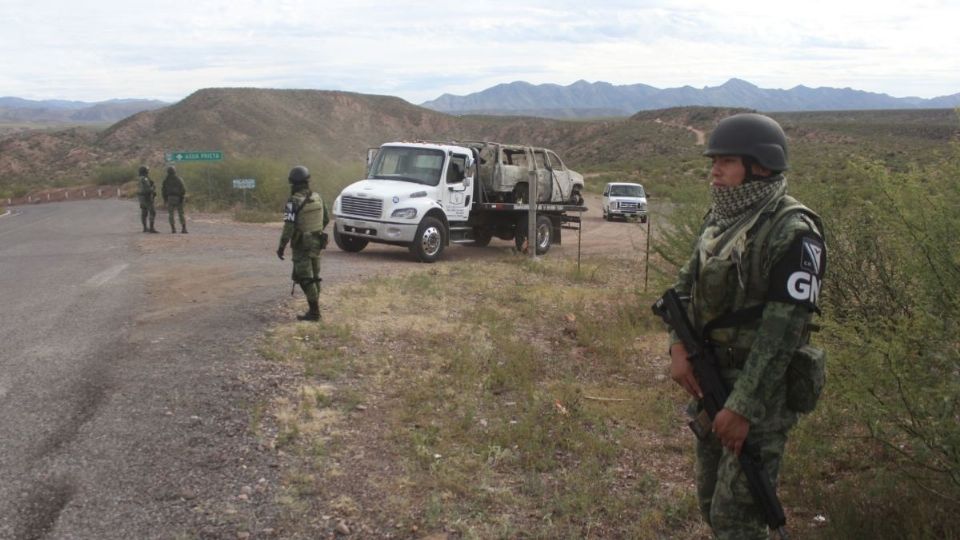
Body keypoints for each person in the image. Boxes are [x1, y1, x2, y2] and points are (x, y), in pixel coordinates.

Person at [667, 113, 827, 538]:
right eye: (713, 160)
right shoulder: (719, 219)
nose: (715, 170)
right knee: (709, 504)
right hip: (710, 380)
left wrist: (743, 408)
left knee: (739, 520)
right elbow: (683, 287)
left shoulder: (793, 232)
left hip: (759, 395)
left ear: (761, 166)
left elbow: (783, 333)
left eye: (727, 161)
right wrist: (677, 348)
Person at [276, 166, 329, 321]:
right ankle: (314, 309)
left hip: (302, 245)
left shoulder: (292, 201)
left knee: (305, 278)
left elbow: (289, 227)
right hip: (317, 242)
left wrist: (281, 246)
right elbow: (325, 218)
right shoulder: (318, 197)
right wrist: (314, 232)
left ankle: (314, 313)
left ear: (292, 183)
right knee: (315, 276)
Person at [162, 165, 188, 233]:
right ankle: (183, 228)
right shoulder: (179, 179)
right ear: (174, 171)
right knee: (181, 213)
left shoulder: (166, 180)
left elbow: (163, 191)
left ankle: (173, 229)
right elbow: (183, 189)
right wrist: (182, 197)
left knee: (171, 214)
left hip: (170, 198)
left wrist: (165, 200)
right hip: (178, 197)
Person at [137, 165, 158, 233]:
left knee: (144, 212)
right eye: (147, 170)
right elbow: (147, 189)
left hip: (141, 197)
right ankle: (151, 228)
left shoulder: (140, 178)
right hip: (147, 197)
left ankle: (145, 228)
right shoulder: (145, 179)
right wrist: (153, 188)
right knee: (152, 212)